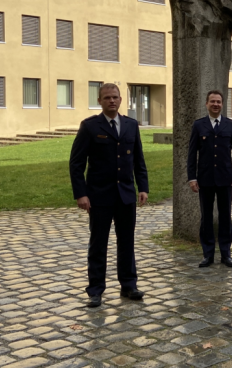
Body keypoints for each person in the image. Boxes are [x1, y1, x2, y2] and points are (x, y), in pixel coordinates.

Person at [69, 83, 149, 308]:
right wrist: (81, 194)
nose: (111, 101)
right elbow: (76, 164)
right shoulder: (89, 127)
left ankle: (129, 285)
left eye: (115, 97)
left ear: (121, 100)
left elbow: (138, 161)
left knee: (127, 242)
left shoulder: (132, 126)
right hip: (99, 197)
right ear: (100, 101)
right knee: (98, 243)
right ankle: (95, 290)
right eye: (107, 98)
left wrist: (142, 187)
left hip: (126, 195)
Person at [187, 90, 232, 268]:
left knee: (225, 216)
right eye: (212, 102)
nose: (216, 104)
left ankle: (226, 253)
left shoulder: (230, 125)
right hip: (205, 179)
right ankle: (208, 254)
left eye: (219, 102)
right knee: (207, 217)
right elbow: (191, 154)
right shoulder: (199, 125)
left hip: (225, 178)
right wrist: (192, 178)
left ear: (222, 104)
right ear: (207, 104)